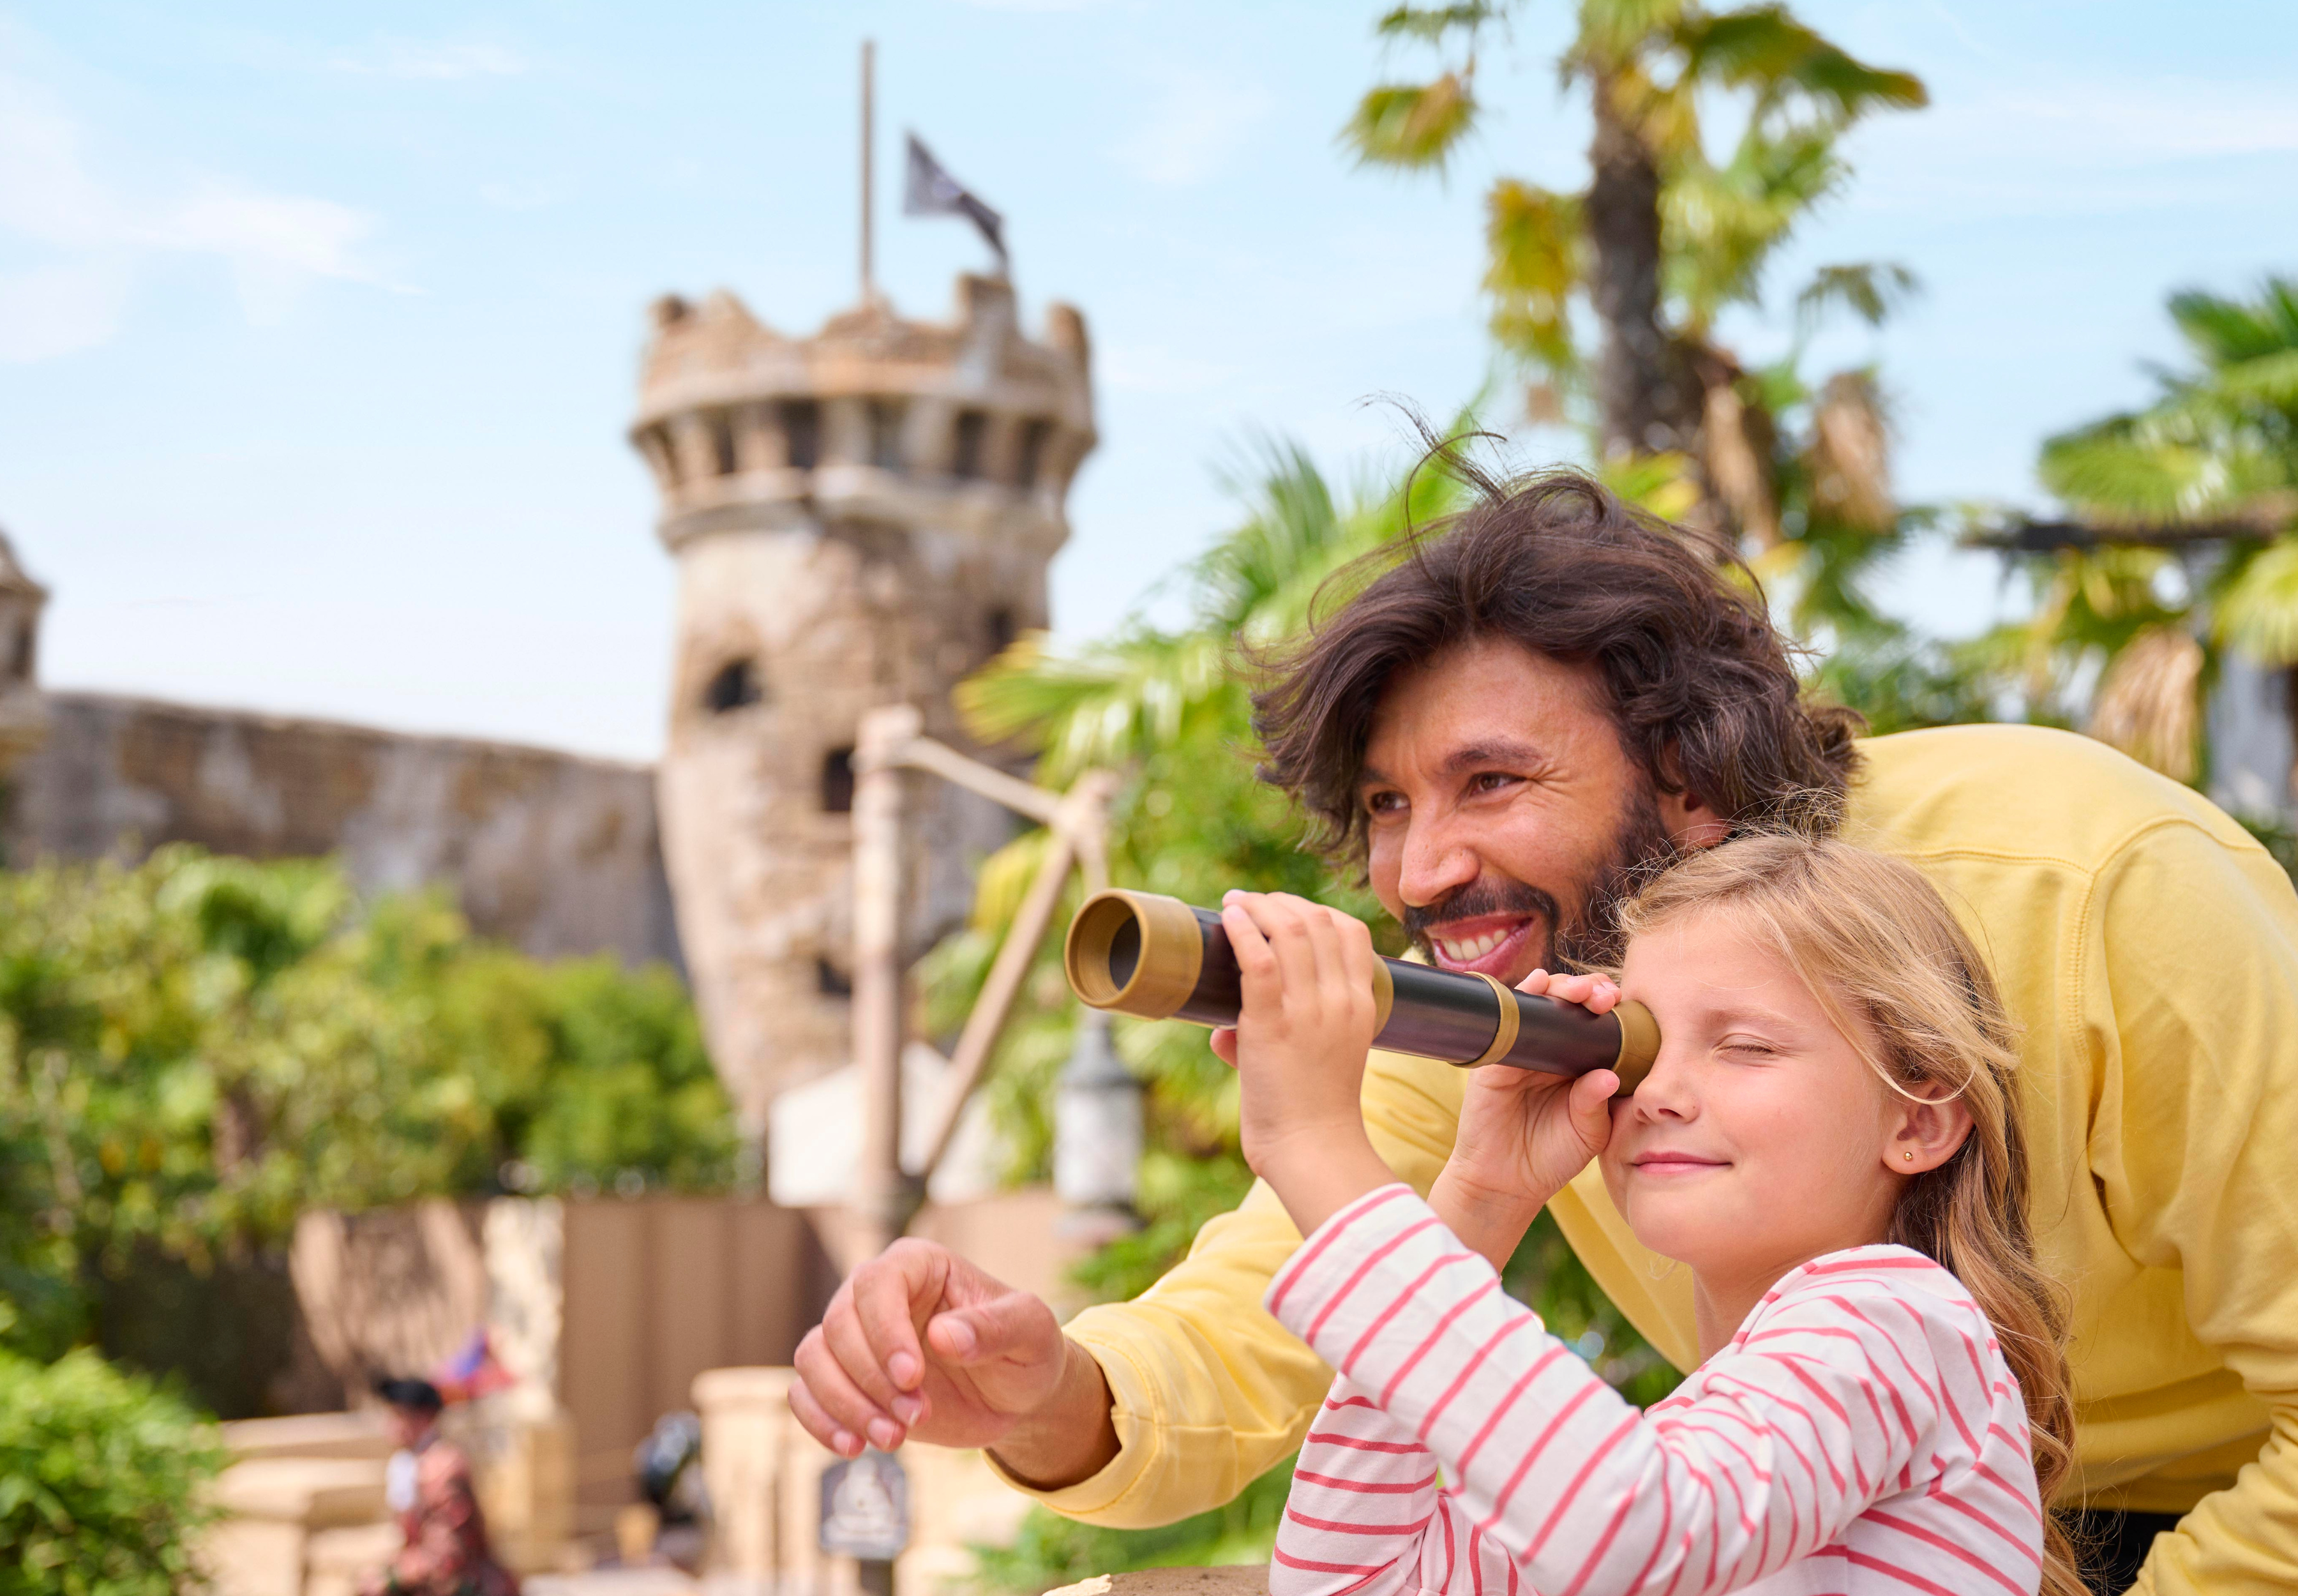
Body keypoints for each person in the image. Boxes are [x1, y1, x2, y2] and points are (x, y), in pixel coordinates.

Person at [788, 471, 2298, 1595]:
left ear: (1689, 774)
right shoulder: (1548, 1007)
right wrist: (1048, 1392)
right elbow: (1273, 1328)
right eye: (1386, 806)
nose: (1416, 870)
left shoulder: (2096, 889)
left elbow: (1625, 1514)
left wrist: (1317, 1138)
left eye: (1489, 782)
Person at [1234, 836, 2079, 1596]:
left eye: (1747, 1046)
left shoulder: (1900, 1322)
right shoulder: (1691, 1444)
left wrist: (1317, 1146)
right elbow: (1352, 1581)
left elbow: (1629, 1530)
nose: (1661, 1095)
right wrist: (1482, 1201)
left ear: (1917, 1120)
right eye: (1633, 1048)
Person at [361, 1376, 520, 1596]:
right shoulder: (411, 1463)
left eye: (398, 1416)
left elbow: (447, 1555)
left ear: (424, 1419)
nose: (389, 1426)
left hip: (461, 1585)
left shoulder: (442, 1471)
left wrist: (395, 1578)